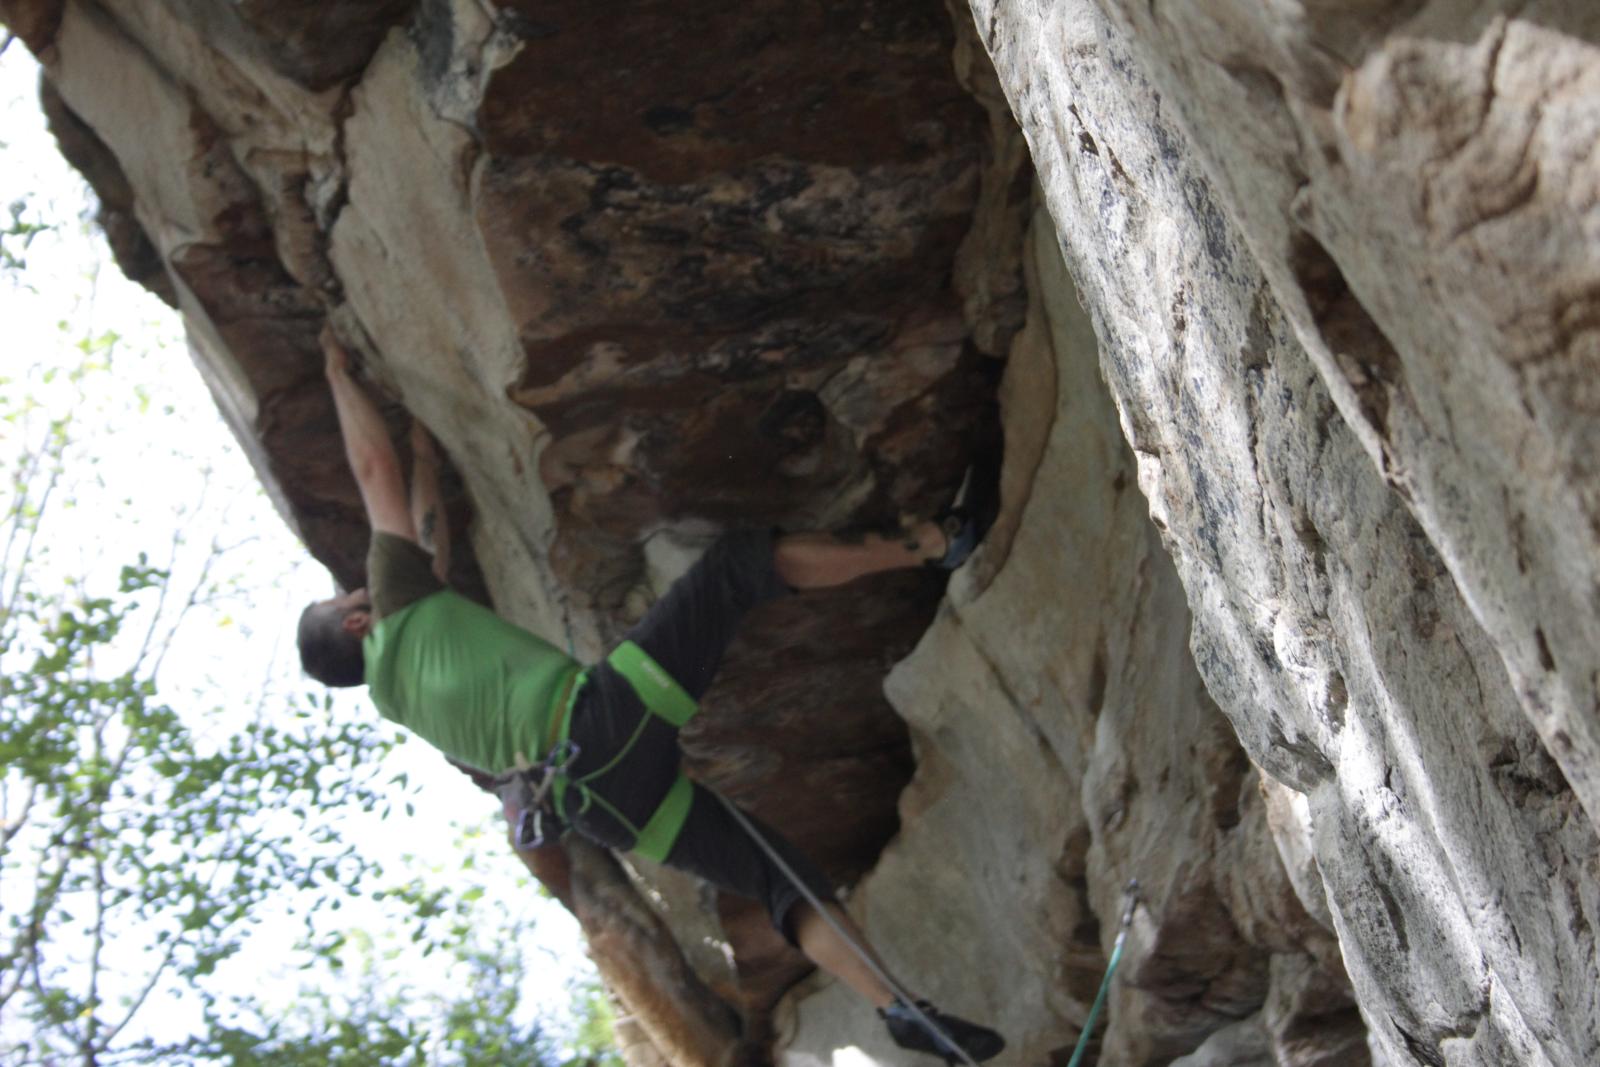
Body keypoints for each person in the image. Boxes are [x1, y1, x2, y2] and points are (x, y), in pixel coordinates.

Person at [298, 328, 1005, 1064]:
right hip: (601, 725)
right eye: (346, 596)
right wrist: (336, 372)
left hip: (602, 808)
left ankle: (901, 1009)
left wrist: (423, 458)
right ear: (355, 622)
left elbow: (427, 546)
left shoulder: (400, 691)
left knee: (777, 878)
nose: (357, 588)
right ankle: (937, 541)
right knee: (737, 568)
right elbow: (372, 469)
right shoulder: (393, 608)